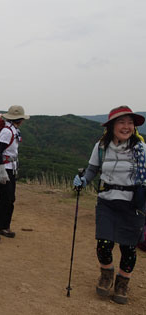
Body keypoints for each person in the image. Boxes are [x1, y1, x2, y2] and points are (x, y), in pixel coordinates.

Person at [73, 106, 146, 304]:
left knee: (128, 247)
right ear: (112, 126)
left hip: (133, 204)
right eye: (121, 122)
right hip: (107, 201)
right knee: (104, 244)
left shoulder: (141, 148)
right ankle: (107, 275)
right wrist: (83, 181)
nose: (126, 126)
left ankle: (122, 283)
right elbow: (92, 169)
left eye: (130, 122)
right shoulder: (101, 146)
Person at [0, 105, 30, 242]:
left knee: (10, 199)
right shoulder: (7, 132)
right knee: (5, 200)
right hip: (5, 168)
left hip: (11, 168)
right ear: (20, 119)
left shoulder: (13, 130)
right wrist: (2, 170)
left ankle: (3, 225)